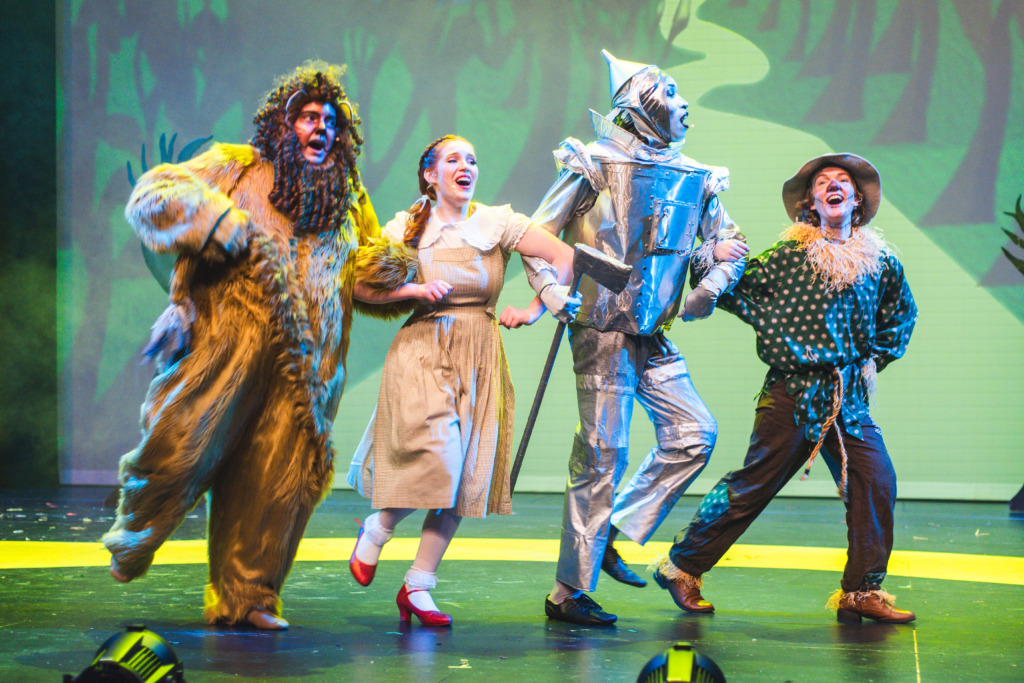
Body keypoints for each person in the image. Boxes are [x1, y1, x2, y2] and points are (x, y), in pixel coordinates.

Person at [102, 61, 390, 630]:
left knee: (277, 483)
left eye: (331, 120)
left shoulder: (347, 199)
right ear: (283, 124)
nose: (322, 128)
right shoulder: (235, 167)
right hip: (222, 349)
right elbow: (153, 192)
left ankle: (248, 595)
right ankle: (135, 534)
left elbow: (368, 272)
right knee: (178, 448)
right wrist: (211, 220)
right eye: (309, 116)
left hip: (305, 370)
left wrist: (409, 264)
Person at [521, 50, 749, 626]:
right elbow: (535, 237)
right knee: (601, 454)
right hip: (601, 331)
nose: (683, 102)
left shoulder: (696, 175)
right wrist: (551, 292)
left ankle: (617, 531)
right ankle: (568, 590)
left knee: (694, 433)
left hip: (652, 333)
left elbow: (730, 244)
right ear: (640, 104)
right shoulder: (592, 164)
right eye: (669, 92)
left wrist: (710, 283)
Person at [649, 153, 918, 624]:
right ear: (810, 202)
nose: (833, 186)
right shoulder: (788, 257)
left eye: (842, 182)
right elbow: (731, 287)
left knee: (877, 482)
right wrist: (711, 256)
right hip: (791, 395)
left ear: (856, 200)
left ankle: (861, 590)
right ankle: (683, 567)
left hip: (848, 397)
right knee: (753, 485)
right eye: (822, 182)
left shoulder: (880, 261)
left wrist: (872, 361)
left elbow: (900, 315)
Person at [346, 135, 579, 626]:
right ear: (430, 175)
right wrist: (413, 287)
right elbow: (361, 285)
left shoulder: (499, 223)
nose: (466, 166)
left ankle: (418, 585)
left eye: (472, 159)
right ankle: (379, 528)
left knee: (466, 475)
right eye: (453, 159)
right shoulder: (407, 229)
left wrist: (537, 309)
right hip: (424, 348)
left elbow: (565, 258)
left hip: (480, 351)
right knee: (442, 461)